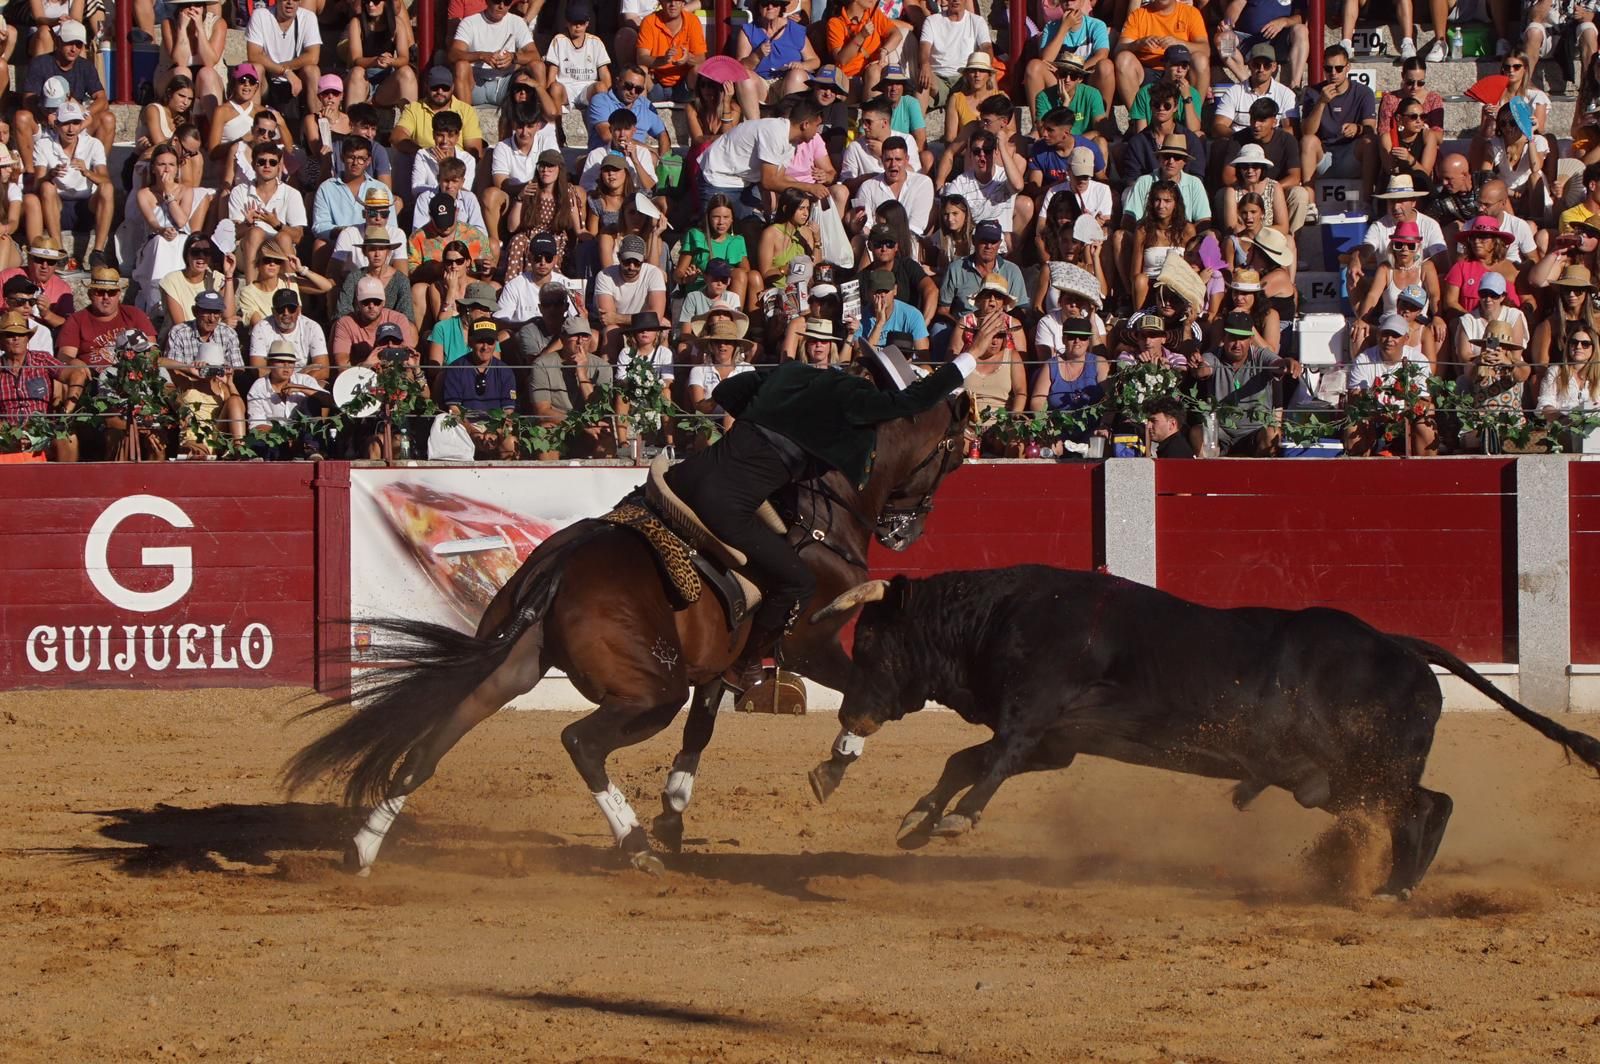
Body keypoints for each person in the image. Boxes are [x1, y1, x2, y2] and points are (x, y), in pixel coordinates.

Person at [664, 325, 989, 687]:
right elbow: (910, 402)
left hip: (684, 476)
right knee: (798, 582)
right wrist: (967, 358)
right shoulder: (855, 400)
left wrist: (762, 423)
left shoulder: (793, 373)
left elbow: (728, 390)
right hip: (723, 504)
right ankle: (743, 665)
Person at [697, 103, 829, 219]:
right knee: (714, 234)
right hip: (718, 177)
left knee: (753, 228)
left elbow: (780, 178)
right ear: (805, 124)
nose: (818, 131)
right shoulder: (774, 132)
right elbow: (769, 181)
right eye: (817, 126)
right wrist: (810, 187)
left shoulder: (791, 141)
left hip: (743, 182)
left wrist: (804, 195)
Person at [25, 99, 112, 267]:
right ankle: (59, 249)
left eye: (76, 123)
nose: (71, 129)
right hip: (58, 206)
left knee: (107, 188)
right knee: (47, 186)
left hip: (86, 205)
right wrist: (51, 174)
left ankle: (98, 252)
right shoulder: (44, 145)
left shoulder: (93, 144)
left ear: (81, 125)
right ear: (57, 124)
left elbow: (105, 179)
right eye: (66, 123)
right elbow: (37, 184)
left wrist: (87, 172)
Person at [1190, 310, 1285, 456]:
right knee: (1197, 433)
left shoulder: (1260, 355)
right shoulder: (1213, 355)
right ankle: (1208, 476)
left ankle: (1260, 477)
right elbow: (1204, 368)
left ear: (1250, 339)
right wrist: (1199, 368)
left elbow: (1277, 363)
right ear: (1224, 338)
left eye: (1242, 338)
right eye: (1233, 338)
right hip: (1221, 432)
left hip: (1254, 432)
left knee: (1272, 433)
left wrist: (1288, 363)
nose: (1237, 344)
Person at [1344, 312, 1436, 456]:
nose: (1389, 339)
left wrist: (1402, 416)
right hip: (1373, 417)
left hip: (1408, 418)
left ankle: (1425, 473)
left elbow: (1425, 400)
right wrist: (1379, 414)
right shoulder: (1363, 359)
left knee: (1427, 423)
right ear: (1378, 335)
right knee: (1353, 426)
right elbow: (1355, 398)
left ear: (1406, 338)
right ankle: (1360, 473)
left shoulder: (1419, 359)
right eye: (1385, 334)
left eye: (1395, 335)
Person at [528, 314, 616, 458]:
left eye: (585, 336)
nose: (580, 341)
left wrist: (582, 374)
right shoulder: (542, 365)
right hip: (558, 423)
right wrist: (580, 425)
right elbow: (542, 411)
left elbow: (598, 409)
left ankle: (603, 478)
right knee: (544, 434)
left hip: (590, 425)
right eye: (574, 336)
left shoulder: (603, 367)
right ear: (563, 340)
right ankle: (547, 478)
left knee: (605, 434)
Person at [0, 309, 81, 461]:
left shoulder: (42, 360)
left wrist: (67, 411)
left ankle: (67, 483)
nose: (16, 338)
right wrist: (9, 432)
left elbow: (75, 374)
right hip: (7, 432)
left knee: (67, 437)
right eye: (10, 335)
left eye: (21, 334)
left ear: (27, 338)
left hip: (43, 429)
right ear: (1, 341)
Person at [1113, 0, 1210, 108]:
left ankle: (1193, 116)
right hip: (1146, 70)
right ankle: (1138, 117)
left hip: (1179, 69)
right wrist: (1138, 43)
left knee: (1201, 60)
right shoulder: (1138, 14)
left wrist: (1179, 43)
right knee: (1123, 59)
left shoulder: (1191, 13)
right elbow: (1119, 49)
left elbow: (1205, 49)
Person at [247, 341, 332, 457]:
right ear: (270, 363)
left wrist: (302, 389)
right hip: (277, 440)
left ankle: (312, 450)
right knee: (259, 442)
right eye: (281, 362)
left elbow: (331, 401)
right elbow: (257, 426)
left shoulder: (304, 380)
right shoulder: (258, 387)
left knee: (312, 399)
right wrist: (286, 437)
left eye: (291, 362)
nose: (287, 367)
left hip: (304, 438)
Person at [58, 268, 157, 366]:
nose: (106, 297)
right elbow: (64, 356)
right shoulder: (76, 320)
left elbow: (153, 350)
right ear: (90, 295)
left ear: (119, 294)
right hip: (93, 378)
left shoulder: (135, 314)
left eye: (111, 292)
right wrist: (74, 362)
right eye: (100, 292)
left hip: (133, 373)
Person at [450, 0, 537, 107]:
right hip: (475, 82)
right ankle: (466, 118)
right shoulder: (470, 22)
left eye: (507, 2)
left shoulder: (517, 22)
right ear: (487, 1)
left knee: (538, 66)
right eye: (496, 1)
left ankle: (535, 116)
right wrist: (481, 56)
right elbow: (453, 54)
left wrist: (512, 57)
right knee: (461, 66)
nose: (501, 6)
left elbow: (535, 55)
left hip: (505, 82)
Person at [245, 0, 322, 111]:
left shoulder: (308, 17)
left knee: (312, 71)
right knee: (255, 68)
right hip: (267, 78)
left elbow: (313, 57)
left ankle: (318, 120)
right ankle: (252, 119)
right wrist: (284, 72)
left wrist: (286, 69)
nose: (290, 2)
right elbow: (254, 55)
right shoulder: (260, 15)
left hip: (297, 79)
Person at [917, 0, 994, 110]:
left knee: (987, 72)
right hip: (938, 78)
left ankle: (993, 116)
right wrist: (924, 64)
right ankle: (918, 126)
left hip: (965, 78)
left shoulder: (977, 21)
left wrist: (986, 64)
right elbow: (924, 47)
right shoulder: (932, 21)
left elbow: (986, 47)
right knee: (923, 80)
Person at [345, 0, 417, 107]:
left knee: (407, 72)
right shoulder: (357, 23)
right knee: (357, 71)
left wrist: (391, 61)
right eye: (366, 1)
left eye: (376, 1)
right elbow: (356, 59)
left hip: (386, 82)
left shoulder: (397, 23)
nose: (370, 4)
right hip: (364, 80)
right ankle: (353, 119)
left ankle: (411, 119)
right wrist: (375, 61)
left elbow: (404, 58)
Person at [851, 268, 931, 360]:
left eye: (886, 291)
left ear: (895, 290)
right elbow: (861, 360)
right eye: (877, 291)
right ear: (869, 293)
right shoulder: (860, 318)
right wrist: (879, 323)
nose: (882, 295)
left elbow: (923, 358)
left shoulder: (912, 315)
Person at [249, 288, 329, 374]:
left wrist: (296, 381)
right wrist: (298, 376)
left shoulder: (312, 327)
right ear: (273, 311)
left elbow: (323, 370)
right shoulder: (261, 328)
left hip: (304, 383)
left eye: (291, 308)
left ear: (298, 310)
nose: (286, 313)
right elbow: (258, 370)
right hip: (273, 383)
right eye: (281, 309)